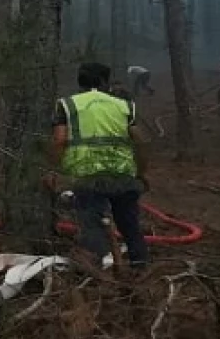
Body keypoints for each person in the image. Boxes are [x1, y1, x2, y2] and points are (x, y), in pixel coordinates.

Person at [48, 62, 151, 270]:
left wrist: (54, 170)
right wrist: (140, 172)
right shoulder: (124, 105)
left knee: (91, 225)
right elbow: (141, 140)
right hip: (122, 173)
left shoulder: (67, 105)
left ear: (80, 81)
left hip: (86, 175)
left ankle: (95, 274)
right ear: (105, 81)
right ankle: (140, 268)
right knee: (130, 224)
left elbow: (59, 140)